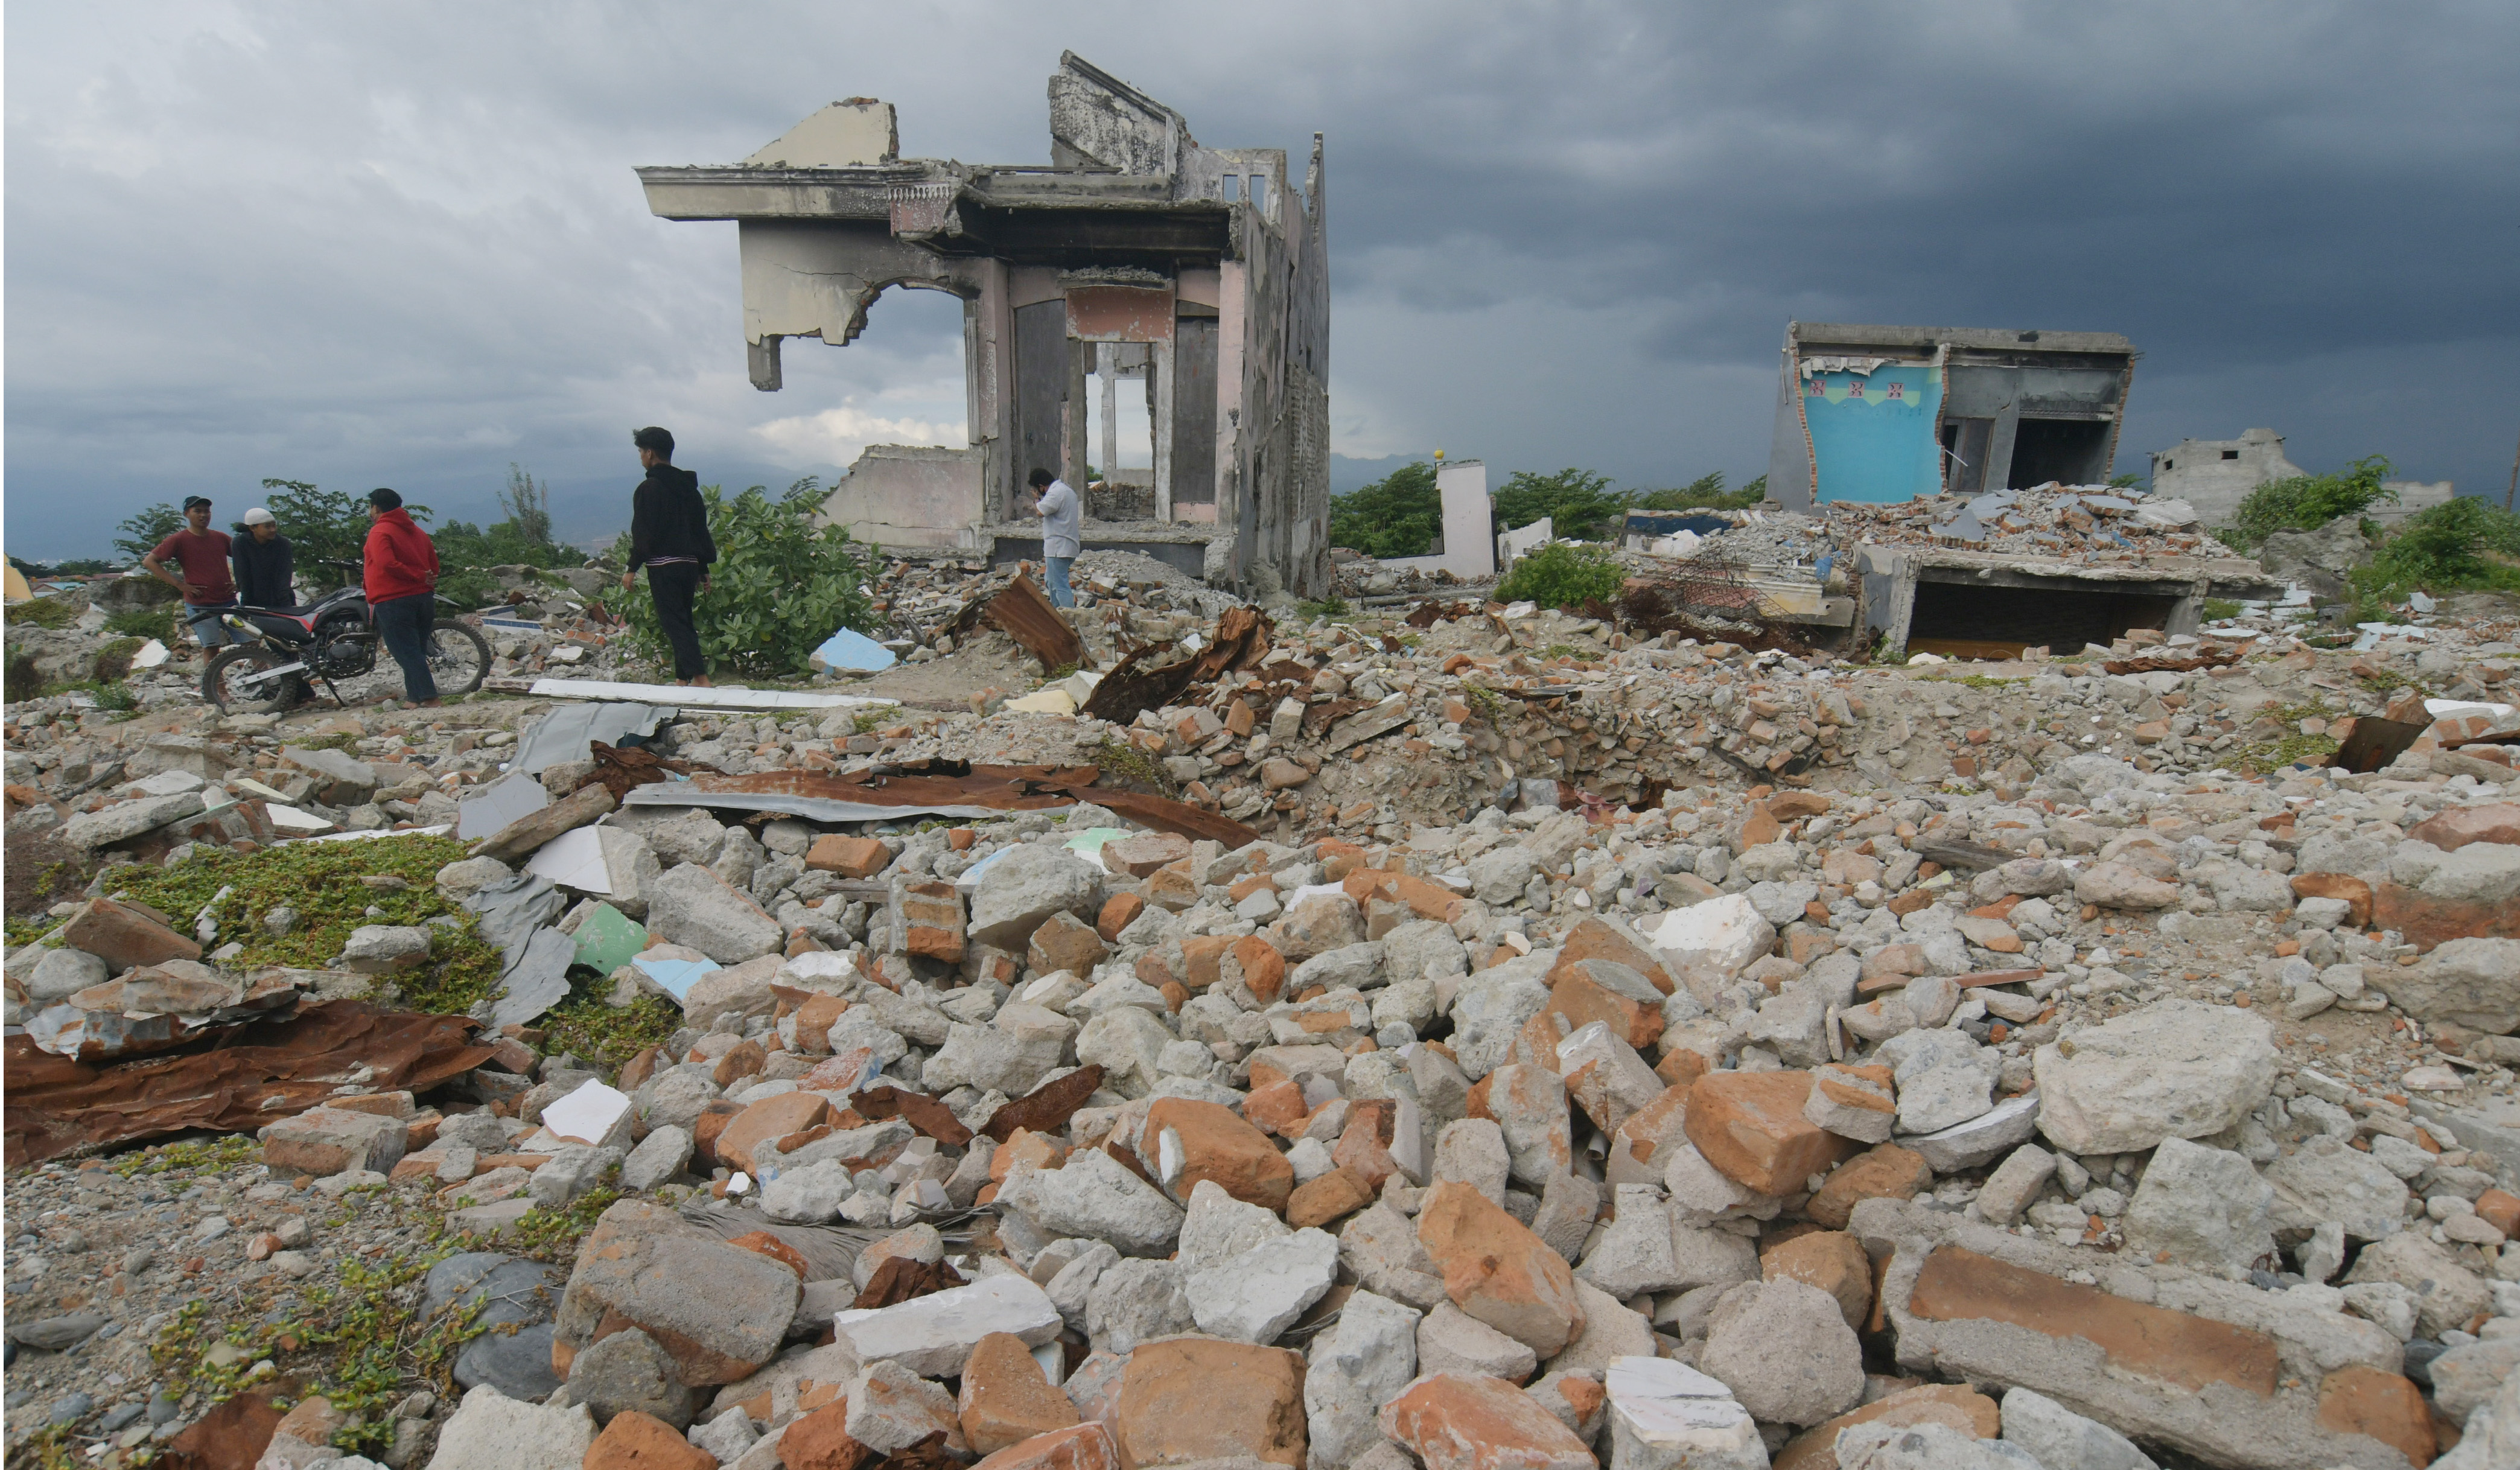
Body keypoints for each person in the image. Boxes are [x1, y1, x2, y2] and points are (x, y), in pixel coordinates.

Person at [620, 425, 717, 686]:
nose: (641, 456)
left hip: (663, 566)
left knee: (674, 623)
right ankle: (682, 680)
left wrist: (632, 568)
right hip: (689, 565)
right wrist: (703, 568)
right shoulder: (690, 490)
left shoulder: (649, 489)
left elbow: (643, 533)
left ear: (650, 453)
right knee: (683, 619)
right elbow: (699, 531)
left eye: (641, 451)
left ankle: (700, 678)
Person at [362, 488, 442, 707]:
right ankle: (414, 699)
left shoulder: (380, 532)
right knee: (414, 649)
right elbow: (433, 564)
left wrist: (415, 577)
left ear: (376, 508)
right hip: (423, 598)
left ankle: (430, 696)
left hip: (393, 599)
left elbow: (386, 563)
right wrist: (425, 581)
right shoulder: (418, 532)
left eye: (370, 507)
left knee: (404, 651)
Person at [140, 495, 238, 653]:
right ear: (187, 514)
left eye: (207, 511)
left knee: (251, 641)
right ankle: (214, 679)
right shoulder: (179, 540)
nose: (203, 515)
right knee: (212, 647)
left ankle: (263, 676)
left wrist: (240, 582)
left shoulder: (220, 538)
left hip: (228, 602)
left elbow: (245, 557)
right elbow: (150, 562)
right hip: (200, 605)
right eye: (197, 511)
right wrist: (180, 585)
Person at [1025, 466, 1081, 609]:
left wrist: (1037, 499)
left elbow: (1040, 512)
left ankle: (1068, 617)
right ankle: (1056, 613)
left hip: (1058, 548)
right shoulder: (1067, 491)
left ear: (1041, 487)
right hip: (1067, 546)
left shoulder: (1055, 493)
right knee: (1051, 581)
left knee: (1060, 585)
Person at [229, 506, 295, 609]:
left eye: (274, 526)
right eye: (268, 527)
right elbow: (242, 575)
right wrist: (246, 605)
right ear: (252, 528)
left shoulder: (283, 544)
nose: (273, 530)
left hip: (281, 599)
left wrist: (286, 606)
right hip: (253, 600)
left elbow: (284, 576)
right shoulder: (240, 543)